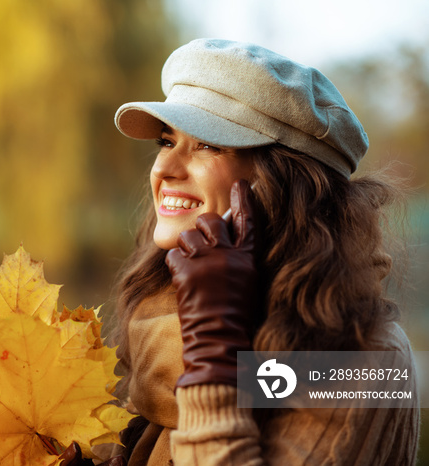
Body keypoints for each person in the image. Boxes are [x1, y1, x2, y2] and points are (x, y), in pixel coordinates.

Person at [94, 39, 419, 465]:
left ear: (283, 182)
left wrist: (213, 348)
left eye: (209, 145)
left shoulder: (368, 357)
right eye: (166, 141)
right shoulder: (155, 316)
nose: (164, 170)